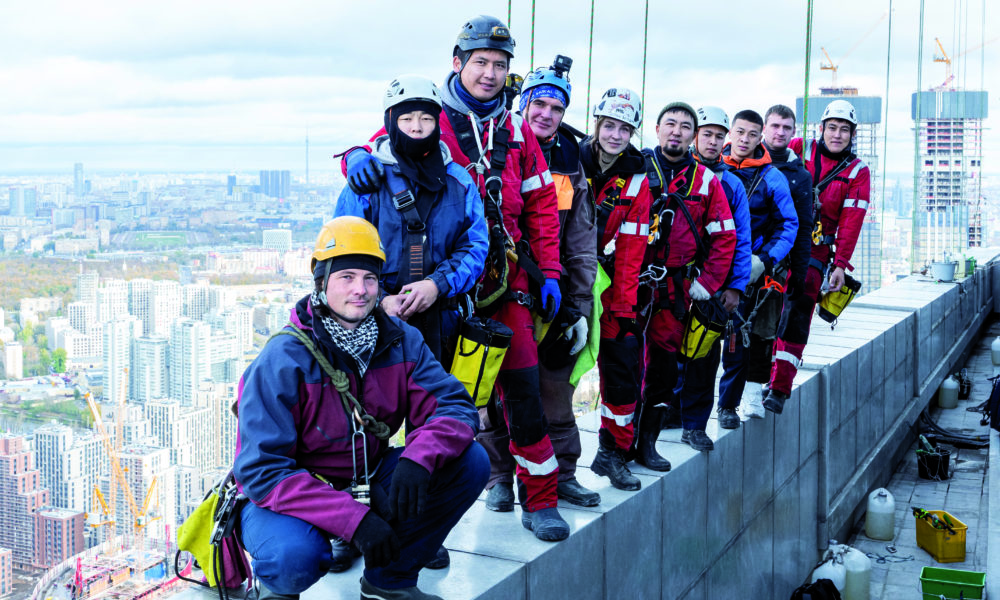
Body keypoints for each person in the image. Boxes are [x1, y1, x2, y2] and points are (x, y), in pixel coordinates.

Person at [342, 15, 569, 541]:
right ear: (458, 63)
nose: (490, 74)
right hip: (435, 288)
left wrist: (551, 273)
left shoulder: (516, 133)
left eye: (500, 65)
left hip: (497, 281)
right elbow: (378, 150)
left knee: (523, 388)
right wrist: (354, 157)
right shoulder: (429, 115)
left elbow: (540, 210)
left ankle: (540, 500)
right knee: (435, 401)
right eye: (481, 62)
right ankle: (429, 515)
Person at [233, 217, 490, 600]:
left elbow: (453, 406)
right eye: (346, 277)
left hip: (363, 477)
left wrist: (418, 459)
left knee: (470, 461)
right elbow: (261, 471)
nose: (360, 290)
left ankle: (389, 581)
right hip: (285, 495)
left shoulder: (401, 341)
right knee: (295, 556)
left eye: (370, 279)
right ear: (321, 283)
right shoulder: (283, 359)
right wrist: (355, 520)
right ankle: (277, 590)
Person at [477, 56, 601, 507]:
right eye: (540, 104)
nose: (547, 114)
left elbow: (580, 237)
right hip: (495, 283)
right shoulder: (495, 140)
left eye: (557, 107)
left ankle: (561, 473)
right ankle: (497, 479)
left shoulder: (570, 159)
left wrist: (579, 302)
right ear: (523, 103)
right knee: (490, 389)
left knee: (552, 390)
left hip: (550, 288)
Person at [335, 75, 488, 368]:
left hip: (443, 324)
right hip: (374, 323)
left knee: (438, 409)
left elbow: (474, 246)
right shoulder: (368, 180)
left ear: (437, 123)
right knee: (378, 411)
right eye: (406, 118)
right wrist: (379, 300)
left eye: (426, 119)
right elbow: (343, 254)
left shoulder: (458, 181)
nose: (416, 127)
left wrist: (436, 284)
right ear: (391, 121)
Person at [640, 102, 736, 452]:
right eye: (670, 124)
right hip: (632, 285)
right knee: (628, 362)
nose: (676, 131)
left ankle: (669, 433)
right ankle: (625, 440)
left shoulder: (707, 181)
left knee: (682, 362)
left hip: (680, 289)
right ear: (657, 128)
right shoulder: (638, 168)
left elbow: (726, 237)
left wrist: (708, 284)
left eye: (685, 126)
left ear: (691, 136)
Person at [580, 87, 663, 488]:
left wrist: (624, 307)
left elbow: (632, 248)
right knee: (554, 376)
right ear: (596, 124)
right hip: (564, 281)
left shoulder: (636, 178)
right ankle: (552, 470)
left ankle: (612, 453)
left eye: (624, 129)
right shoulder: (571, 159)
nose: (615, 135)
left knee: (623, 370)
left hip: (611, 285)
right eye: (609, 125)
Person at [764, 100, 870, 413]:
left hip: (815, 249)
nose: (837, 135)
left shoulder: (857, 172)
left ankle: (779, 388)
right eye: (832, 128)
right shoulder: (799, 148)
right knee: (765, 309)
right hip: (778, 239)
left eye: (844, 130)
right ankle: (758, 379)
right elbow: (762, 156)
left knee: (798, 312)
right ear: (821, 129)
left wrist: (839, 266)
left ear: (853, 134)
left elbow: (852, 223)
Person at [717, 109, 798, 421]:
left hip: (751, 268)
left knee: (741, 340)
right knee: (698, 340)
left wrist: (764, 261)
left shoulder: (772, 178)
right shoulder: (712, 170)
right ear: (730, 133)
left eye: (752, 134)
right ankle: (679, 409)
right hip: (712, 266)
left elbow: (788, 225)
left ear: (760, 135)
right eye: (740, 132)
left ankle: (727, 406)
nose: (745, 139)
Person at [688, 106, 752, 430]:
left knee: (709, 353)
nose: (712, 141)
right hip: (677, 278)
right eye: (707, 133)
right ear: (695, 134)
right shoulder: (677, 173)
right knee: (668, 353)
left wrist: (736, 286)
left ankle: (708, 417)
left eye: (718, 135)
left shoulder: (732, 185)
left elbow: (741, 240)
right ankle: (670, 414)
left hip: (717, 281)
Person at [762, 104, 814, 314]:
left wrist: (799, 274)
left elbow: (803, 227)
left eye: (786, 127)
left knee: (763, 334)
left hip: (776, 262)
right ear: (764, 128)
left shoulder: (800, 176)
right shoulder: (742, 162)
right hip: (738, 255)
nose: (780, 132)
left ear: (794, 132)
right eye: (775, 125)